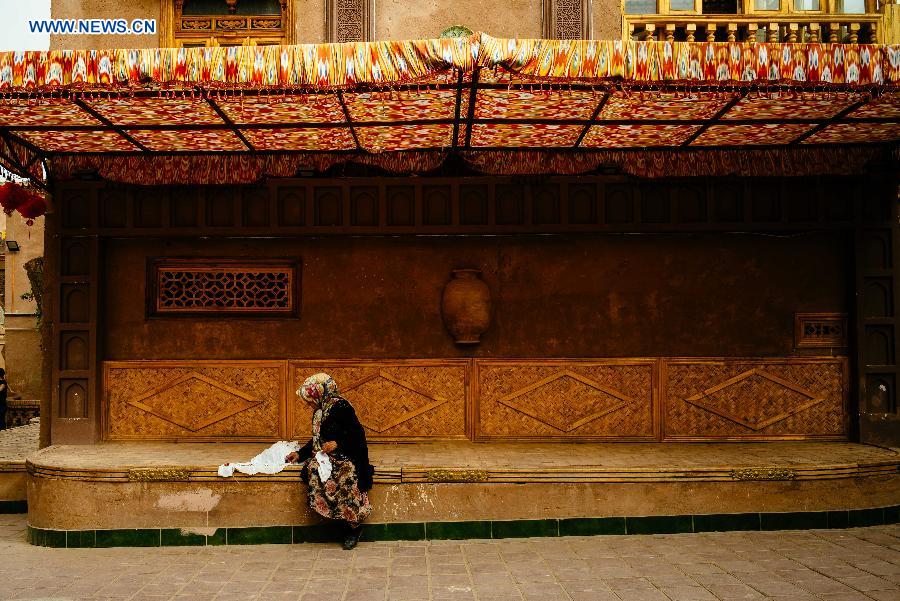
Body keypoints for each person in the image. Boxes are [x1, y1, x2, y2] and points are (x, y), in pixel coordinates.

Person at [285, 373, 374, 550]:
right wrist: (300, 454)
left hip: (348, 454)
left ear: (320, 394)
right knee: (314, 469)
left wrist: (338, 444)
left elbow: (357, 436)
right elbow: (317, 439)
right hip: (326, 456)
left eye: (310, 400)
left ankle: (352, 527)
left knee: (346, 474)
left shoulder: (342, 407)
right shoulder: (320, 411)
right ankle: (337, 521)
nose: (308, 404)